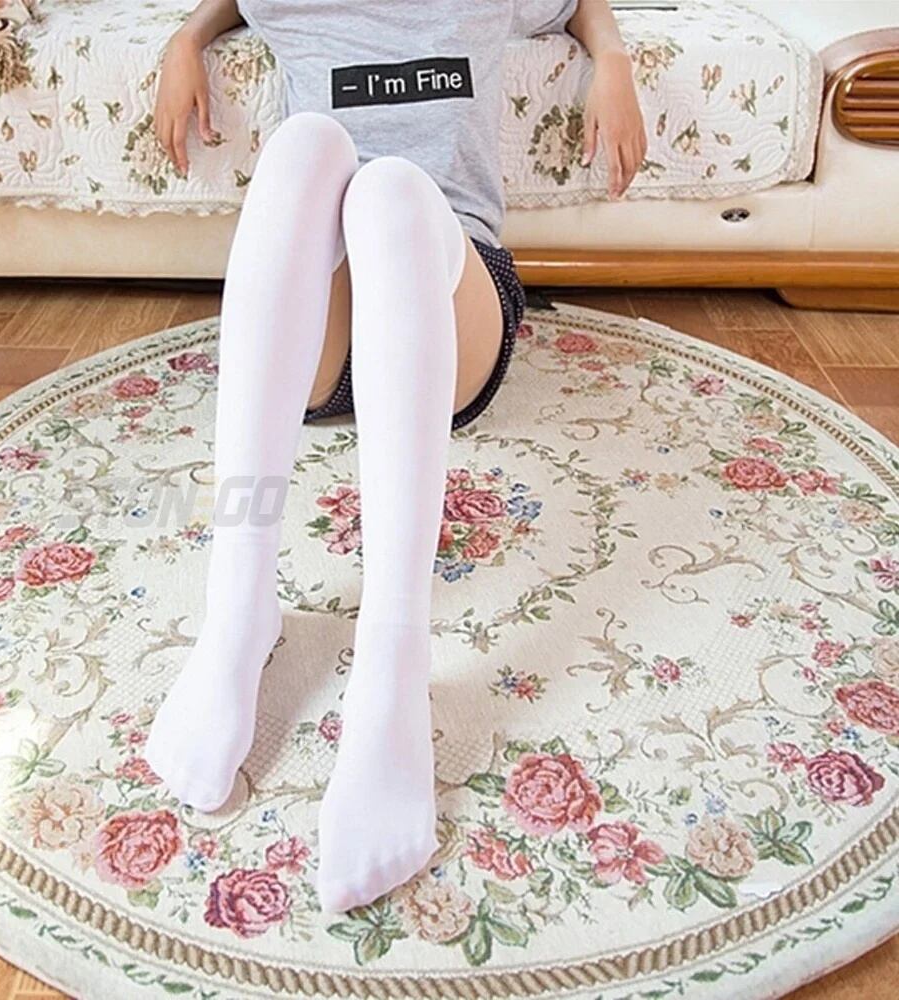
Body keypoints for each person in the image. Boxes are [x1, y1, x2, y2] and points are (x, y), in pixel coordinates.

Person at [144, 0, 646, 914]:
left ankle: (391, 665)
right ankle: (238, 608)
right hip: (322, 321)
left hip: (448, 302)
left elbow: (579, 4)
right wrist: (186, 39)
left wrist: (610, 59)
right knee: (304, 151)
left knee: (391, 194)